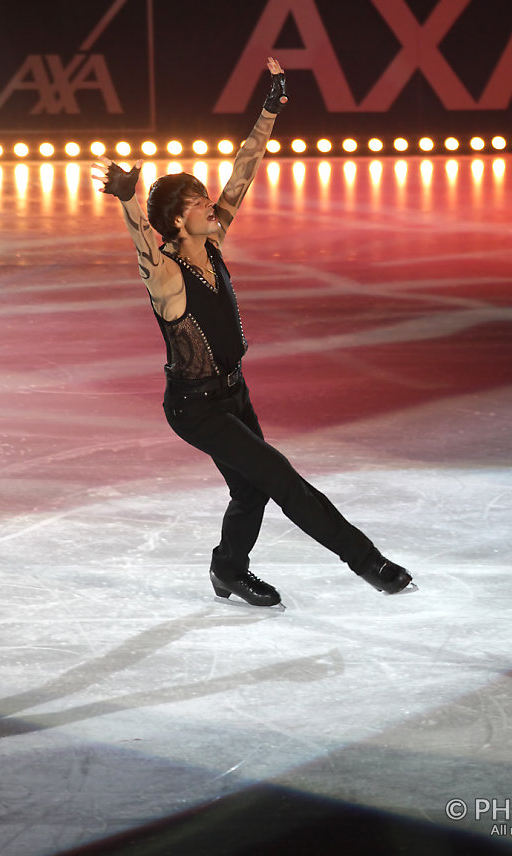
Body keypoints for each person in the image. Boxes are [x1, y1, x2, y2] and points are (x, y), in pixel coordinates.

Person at [92, 57, 413, 608]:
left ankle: (227, 571)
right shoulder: (168, 275)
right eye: (196, 204)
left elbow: (245, 169)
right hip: (195, 408)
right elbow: (141, 246)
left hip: (233, 394)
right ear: (176, 222)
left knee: (250, 490)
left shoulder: (212, 243)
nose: (209, 205)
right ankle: (369, 562)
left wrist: (269, 110)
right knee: (280, 479)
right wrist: (128, 199)